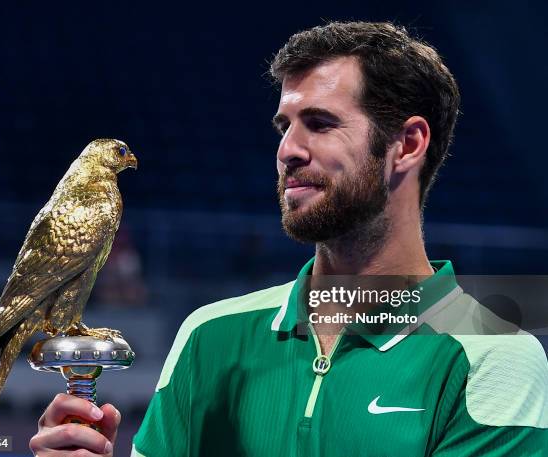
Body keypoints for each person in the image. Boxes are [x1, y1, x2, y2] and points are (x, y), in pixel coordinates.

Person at [29, 21, 548, 456]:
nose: (288, 151)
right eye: (284, 126)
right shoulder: (209, 336)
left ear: (407, 144)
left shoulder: (495, 356)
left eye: (319, 124)